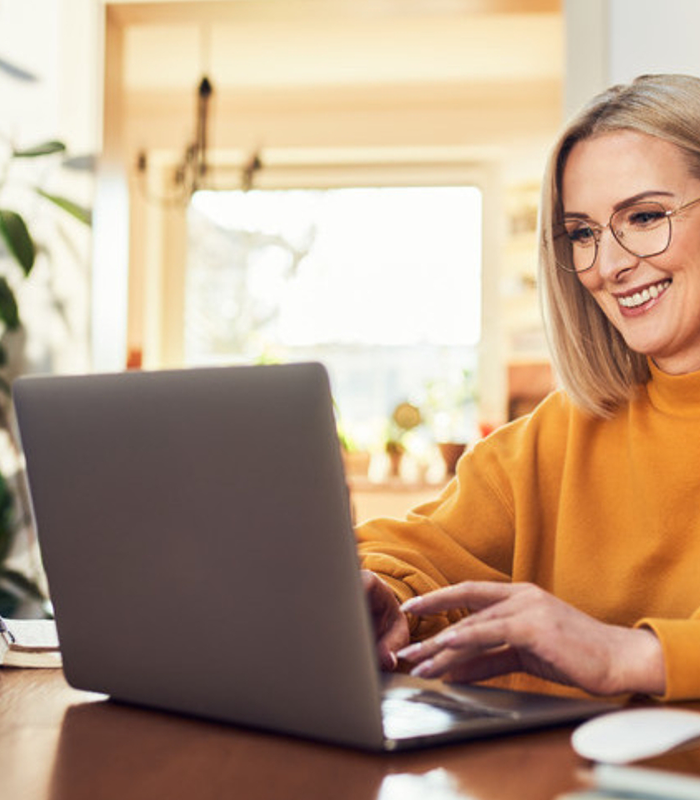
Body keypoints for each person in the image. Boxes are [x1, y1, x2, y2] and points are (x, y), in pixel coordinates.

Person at [357, 73, 700, 703]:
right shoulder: (557, 434)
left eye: (645, 216)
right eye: (584, 233)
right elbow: (410, 546)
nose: (610, 264)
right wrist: (383, 592)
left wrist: (633, 655)